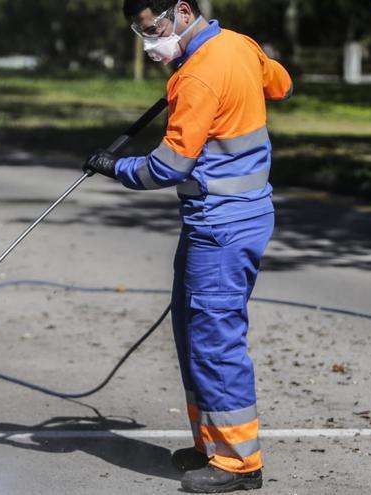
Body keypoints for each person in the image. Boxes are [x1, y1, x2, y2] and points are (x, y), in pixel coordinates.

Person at [82, 0, 293, 492]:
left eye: (152, 29)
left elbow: (168, 167)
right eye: (141, 34)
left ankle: (239, 464)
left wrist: (116, 168)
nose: (150, 43)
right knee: (192, 331)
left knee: (214, 341)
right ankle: (210, 445)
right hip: (235, 216)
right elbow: (281, 85)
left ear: (180, 11)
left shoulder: (196, 78)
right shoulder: (239, 45)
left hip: (222, 225)